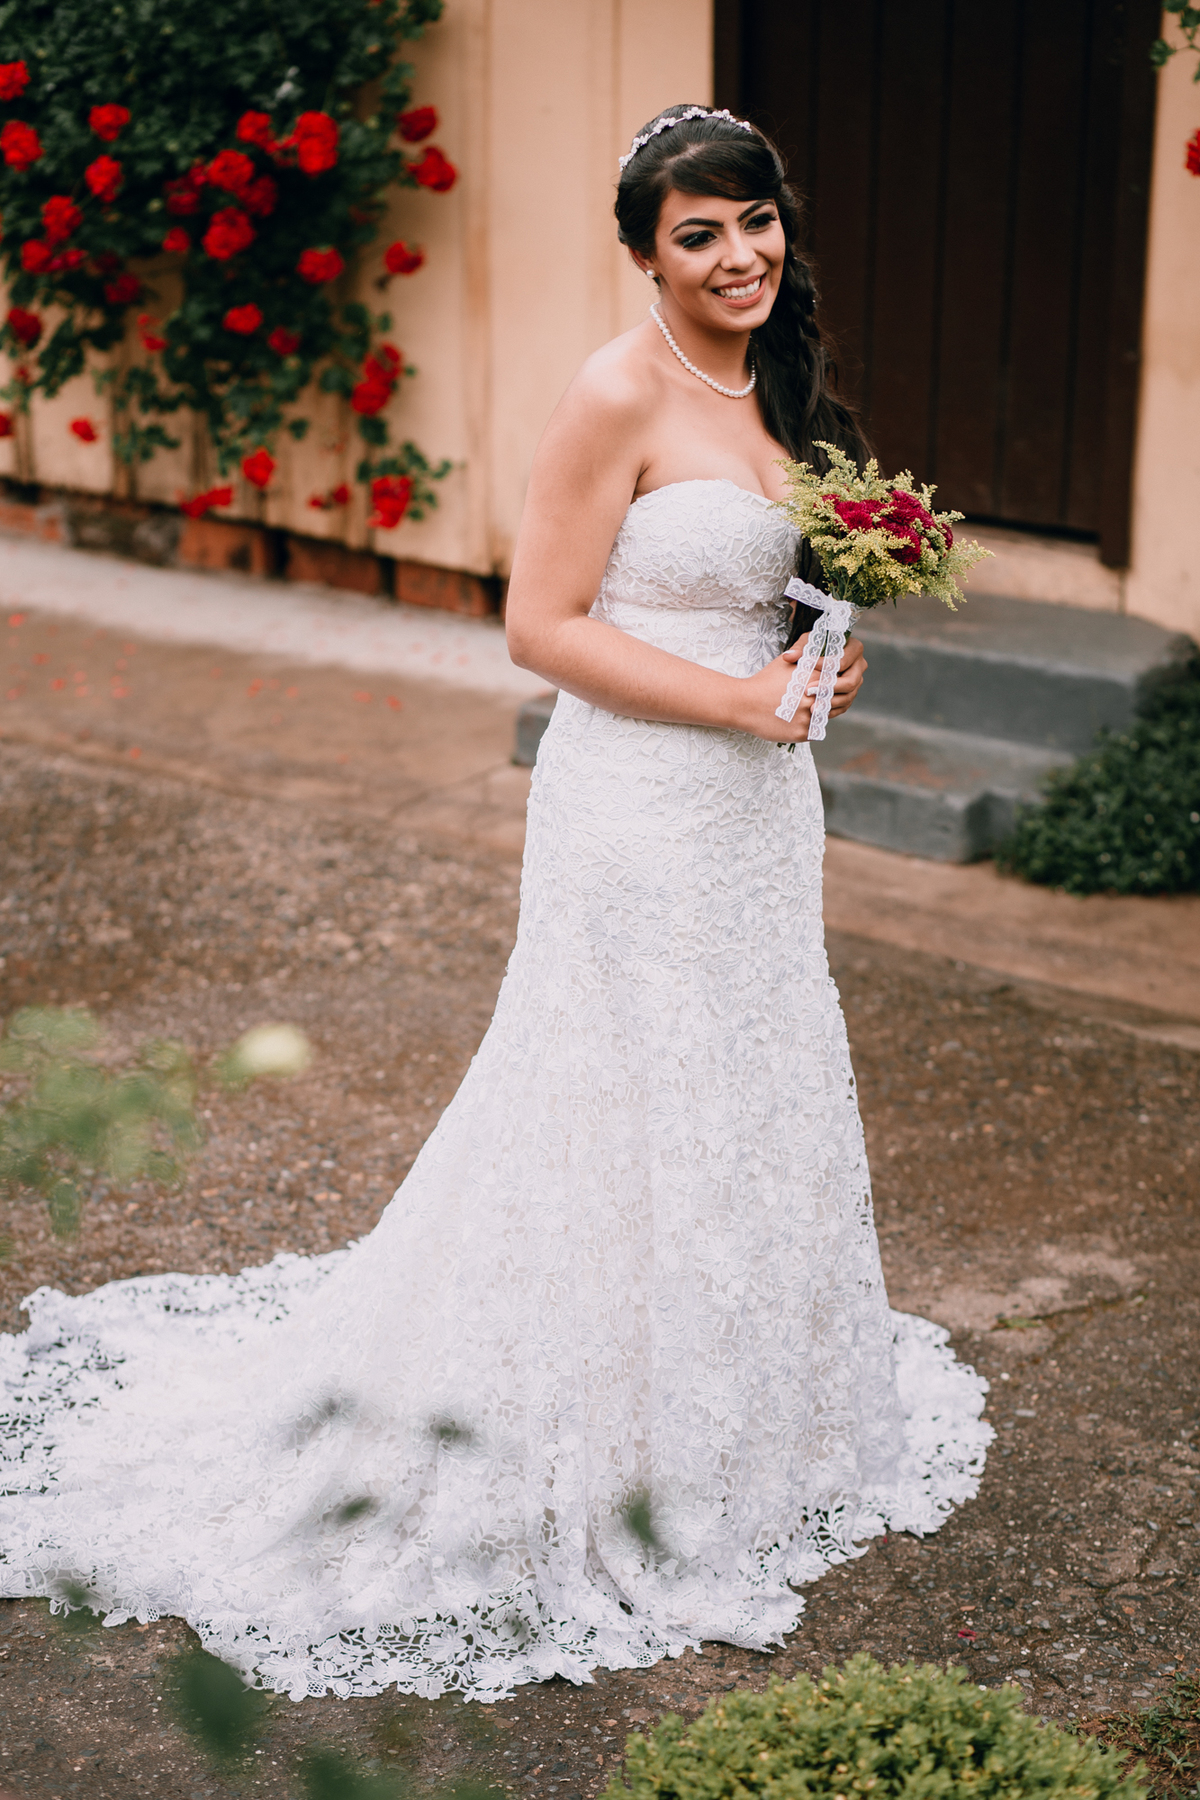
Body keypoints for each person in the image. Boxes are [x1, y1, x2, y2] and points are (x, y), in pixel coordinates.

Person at [0, 105, 991, 1704]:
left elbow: (769, 597)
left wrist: (822, 664)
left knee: (741, 1083)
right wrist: (736, 707)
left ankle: (731, 1410)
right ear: (643, 254)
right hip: (639, 807)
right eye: (699, 234)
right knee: (620, 1094)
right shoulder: (616, 392)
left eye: (756, 223)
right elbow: (539, 625)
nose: (738, 256)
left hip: (755, 813)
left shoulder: (779, 386)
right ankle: (591, 1426)